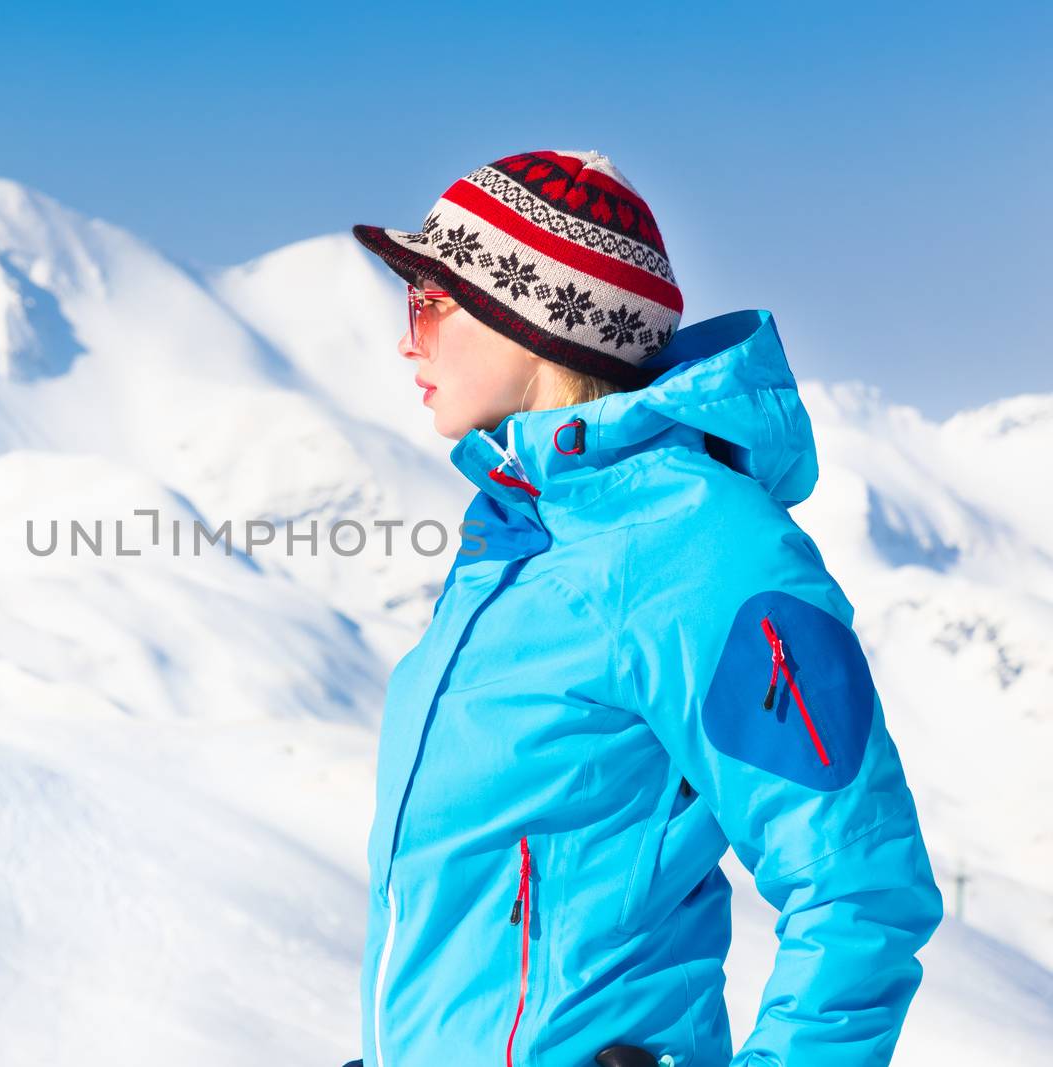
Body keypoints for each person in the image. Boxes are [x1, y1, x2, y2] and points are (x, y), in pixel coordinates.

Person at [341, 150, 944, 1067]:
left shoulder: (704, 548)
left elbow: (861, 884)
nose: (406, 339)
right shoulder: (515, 538)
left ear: (530, 322)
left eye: (429, 299)